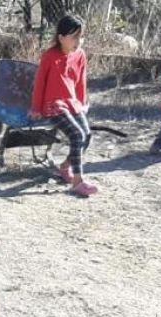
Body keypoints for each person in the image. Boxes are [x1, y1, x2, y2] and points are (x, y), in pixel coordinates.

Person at [29, 14, 97, 197]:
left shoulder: (80, 55)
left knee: (86, 135)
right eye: (74, 37)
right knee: (77, 134)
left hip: (72, 103)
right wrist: (36, 108)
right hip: (53, 105)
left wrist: (82, 103)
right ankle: (78, 181)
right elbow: (40, 83)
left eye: (81, 36)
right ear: (61, 38)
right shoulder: (50, 56)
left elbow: (81, 81)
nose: (78, 41)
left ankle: (65, 167)